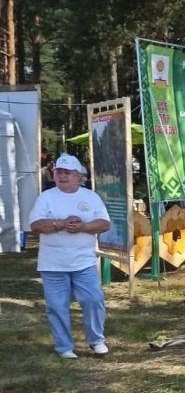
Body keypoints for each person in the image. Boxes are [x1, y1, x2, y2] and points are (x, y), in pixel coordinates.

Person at [28, 154, 111, 359]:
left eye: (67, 173)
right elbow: (35, 226)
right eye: (59, 172)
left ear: (78, 176)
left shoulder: (91, 197)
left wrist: (84, 226)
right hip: (52, 264)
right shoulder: (46, 197)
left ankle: (97, 341)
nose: (62, 176)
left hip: (84, 262)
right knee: (57, 306)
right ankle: (64, 347)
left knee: (94, 300)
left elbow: (104, 223)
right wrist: (59, 224)